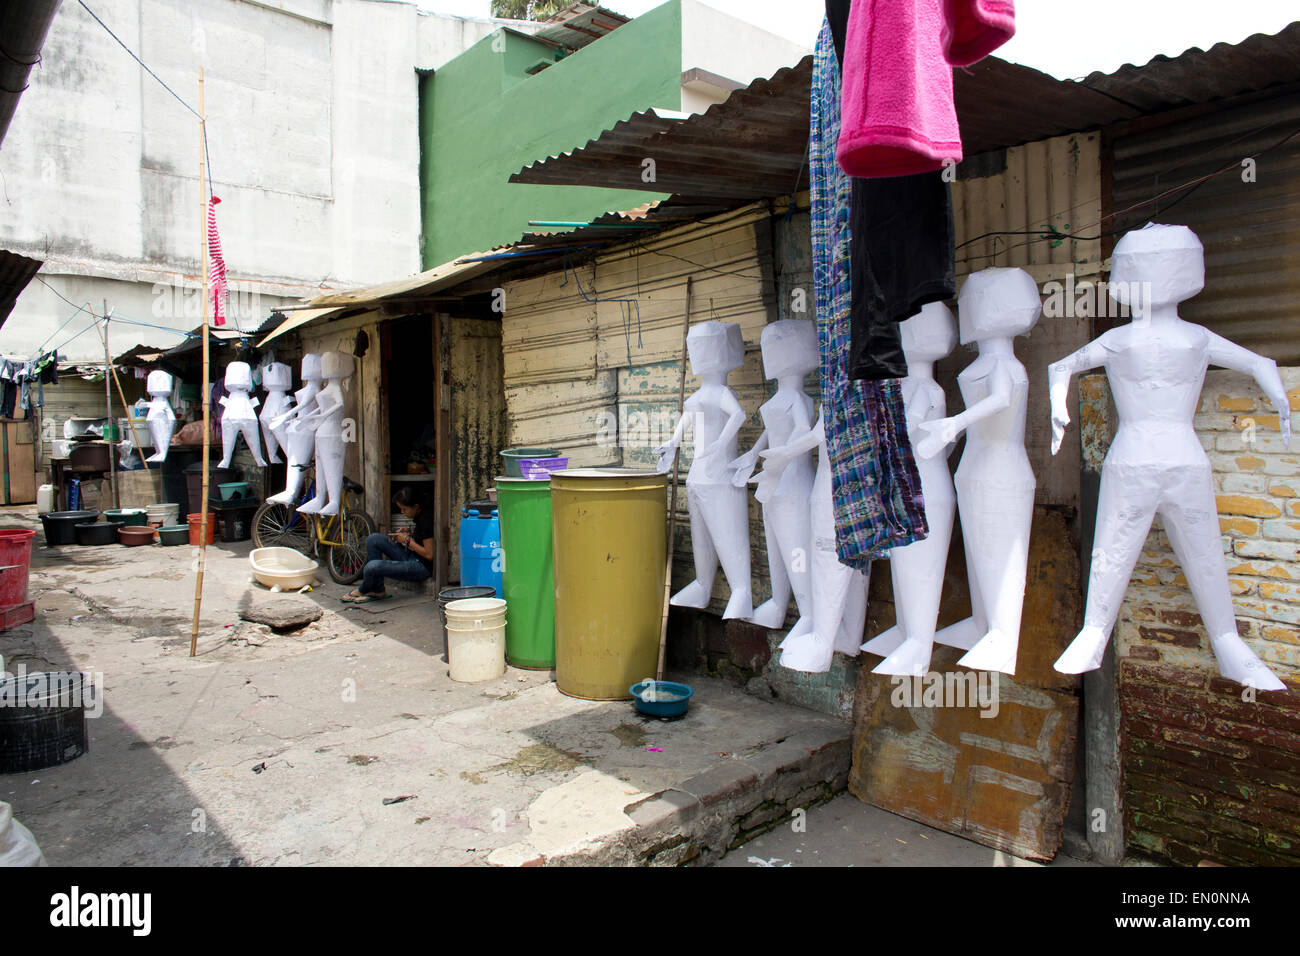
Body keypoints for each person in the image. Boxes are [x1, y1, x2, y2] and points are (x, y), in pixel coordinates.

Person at [342, 487, 434, 602]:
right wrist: (409, 533)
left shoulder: (426, 520)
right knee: (373, 539)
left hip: (421, 567)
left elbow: (430, 554)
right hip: (412, 556)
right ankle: (377, 589)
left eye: (404, 509)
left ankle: (364, 588)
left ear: (415, 507)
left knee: (372, 567)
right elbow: (422, 538)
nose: (402, 512)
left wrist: (407, 540)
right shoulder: (419, 515)